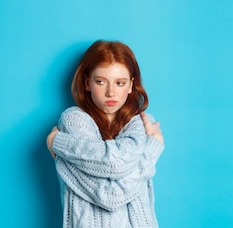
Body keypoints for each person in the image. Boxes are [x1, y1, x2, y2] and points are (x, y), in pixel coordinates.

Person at [46, 40, 165, 227]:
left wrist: (58, 145)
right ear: (87, 82)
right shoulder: (73, 119)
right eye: (100, 81)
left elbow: (110, 177)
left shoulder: (141, 122)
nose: (111, 92)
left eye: (120, 83)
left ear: (131, 86)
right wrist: (152, 148)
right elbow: (110, 193)